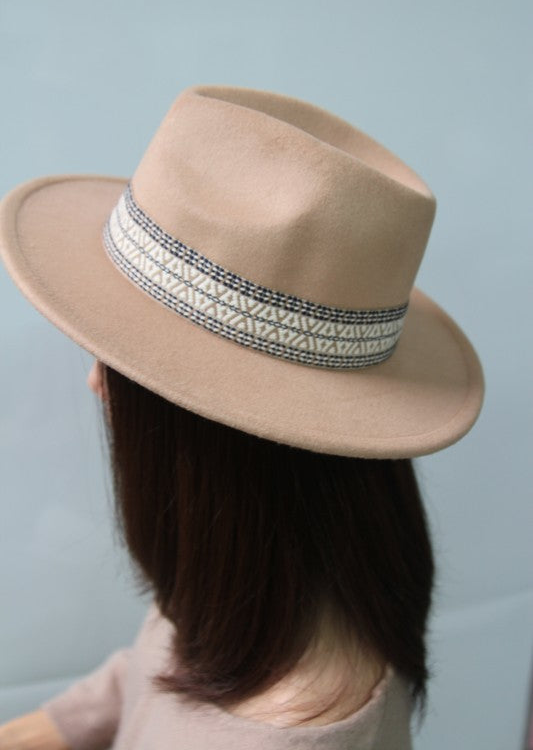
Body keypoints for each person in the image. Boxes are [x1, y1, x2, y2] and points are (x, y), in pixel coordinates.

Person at [0, 84, 485, 749]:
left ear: (224, 439)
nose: (96, 383)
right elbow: (156, 665)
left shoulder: (283, 730)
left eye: (119, 360)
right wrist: (52, 727)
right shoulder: (263, 580)